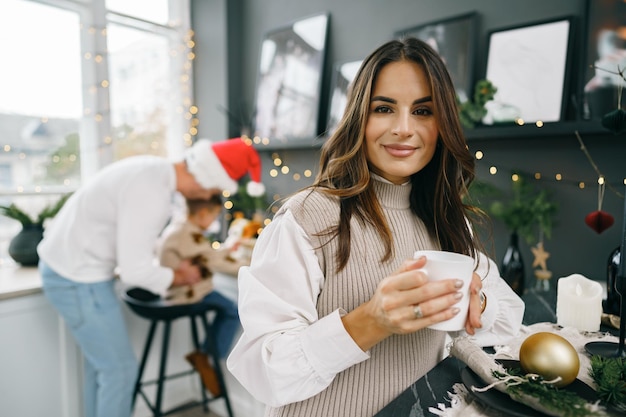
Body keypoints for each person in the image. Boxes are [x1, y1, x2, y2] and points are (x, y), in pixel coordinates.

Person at [226, 37, 525, 417]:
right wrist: (371, 321)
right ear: (358, 117)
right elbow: (264, 372)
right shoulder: (306, 218)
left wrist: (476, 303)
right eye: (384, 108)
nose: (403, 128)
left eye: (423, 111)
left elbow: (508, 318)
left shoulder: (448, 220)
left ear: (443, 123)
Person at [37, 137, 265, 417]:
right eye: (214, 191)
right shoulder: (152, 193)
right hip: (77, 278)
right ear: (206, 179)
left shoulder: (153, 172)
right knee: (120, 372)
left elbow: (135, 248)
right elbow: (135, 271)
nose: (208, 198)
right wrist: (178, 276)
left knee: (104, 369)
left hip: (72, 270)